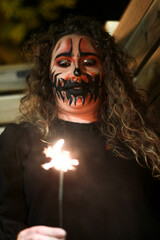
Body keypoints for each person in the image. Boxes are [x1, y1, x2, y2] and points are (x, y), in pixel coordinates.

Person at [0, 14, 160, 240]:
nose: (76, 72)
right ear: (47, 75)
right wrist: (21, 237)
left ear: (106, 73)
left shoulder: (142, 141)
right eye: (63, 63)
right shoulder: (19, 140)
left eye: (89, 62)